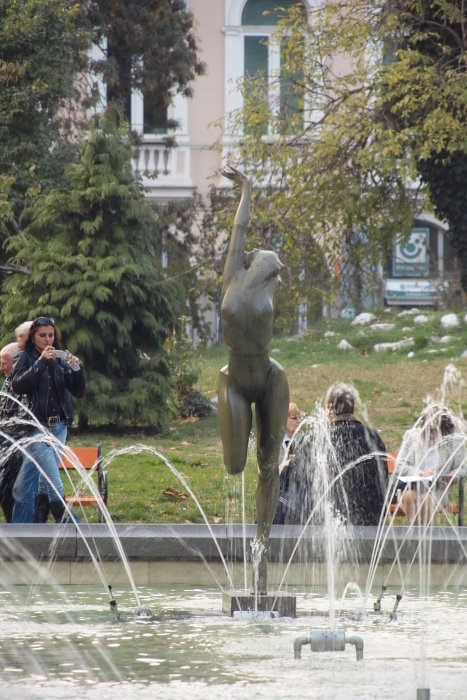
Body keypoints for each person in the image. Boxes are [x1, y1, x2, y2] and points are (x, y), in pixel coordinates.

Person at [218, 165, 289, 592]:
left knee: (268, 465)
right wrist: (247, 188)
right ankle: (255, 548)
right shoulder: (233, 276)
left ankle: (262, 553)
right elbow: (240, 227)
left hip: (270, 377)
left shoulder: (270, 289)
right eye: (256, 251)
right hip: (235, 379)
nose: (264, 254)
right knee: (235, 465)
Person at [11, 316, 86, 523]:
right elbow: (17, 385)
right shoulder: (25, 357)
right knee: (54, 482)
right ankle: (71, 524)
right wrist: (42, 361)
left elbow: (78, 391)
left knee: (30, 484)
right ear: (33, 337)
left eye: (51, 335)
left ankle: (34, 524)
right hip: (36, 427)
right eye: (42, 335)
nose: (47, 340)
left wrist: (77, 369)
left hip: (59, 427)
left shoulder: (61, 358)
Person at [326, 383, 388, 526]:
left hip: (335, 524)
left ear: (330, 409)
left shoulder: (324, 439)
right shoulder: (373, 437)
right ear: (353, 409)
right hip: (372, 521)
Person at [396, 405, 466, 525]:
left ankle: (427, 539)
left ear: (446, 430)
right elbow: (399, 465)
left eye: (437, 431)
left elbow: (463, 467)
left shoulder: (455, 441)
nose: (433, 435)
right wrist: (420, 474)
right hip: (412, 487)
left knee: (426, 499)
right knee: (409, 496)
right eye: (430, 430)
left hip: (440, 490)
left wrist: (455, 475)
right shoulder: (412, 436)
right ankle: (416, 538)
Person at [0, 342, 28, 521]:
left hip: (17, 449)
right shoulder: (7, 382)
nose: (1, 366)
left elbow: (21, 420)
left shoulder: (21, 386)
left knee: (13, 490)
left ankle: (18, 529)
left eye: (4, 362)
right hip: (6, 448)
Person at [273, 403, 304, 524]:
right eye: (294, 418)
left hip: (299, 495)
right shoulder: (273, 445)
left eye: (299, 417)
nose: (299, 421)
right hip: (279, 497)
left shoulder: (304, 441)